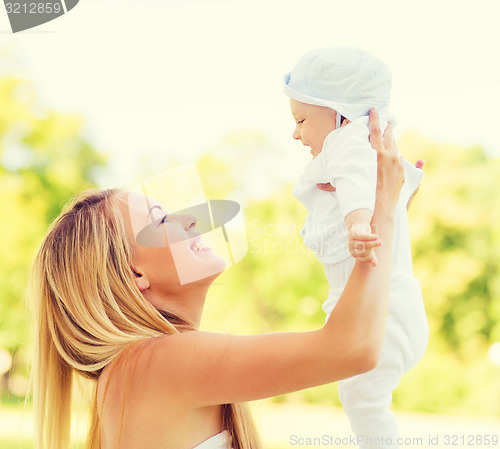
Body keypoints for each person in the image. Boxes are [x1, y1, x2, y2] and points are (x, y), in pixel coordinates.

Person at [29, 109, 405, 449]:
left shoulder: (143, 368)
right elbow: (352, 347)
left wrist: (381, 215)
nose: (190, 220)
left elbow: (355, 339)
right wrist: (382, 209)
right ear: (134, 274)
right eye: (161, 220)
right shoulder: (156, 362)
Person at [283, 47, 428, 448]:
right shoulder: (370, 146)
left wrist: (358, 223)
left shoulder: (347, 142)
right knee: (364, 401)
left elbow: (353, 184)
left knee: (364, 405)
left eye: (300, 120)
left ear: (340, 115)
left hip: (380, 315)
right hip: (395, 309)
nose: (295, 134)